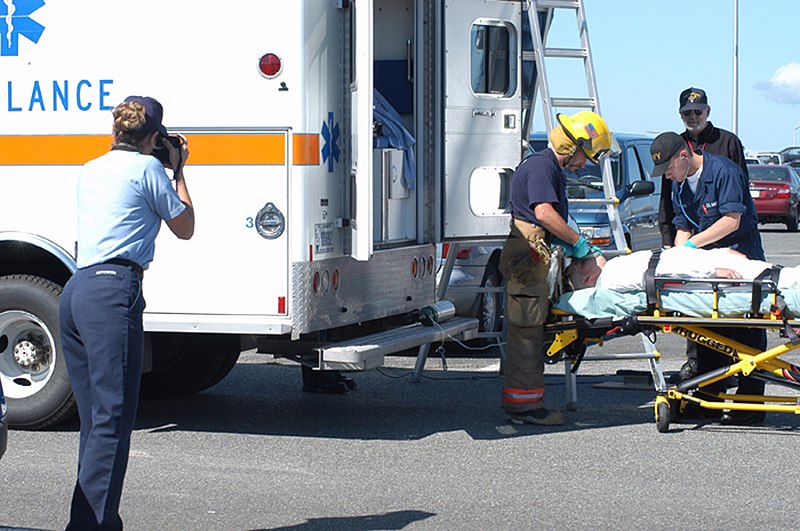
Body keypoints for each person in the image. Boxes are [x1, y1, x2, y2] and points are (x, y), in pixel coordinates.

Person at [59, 95, 195, 530]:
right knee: (113, 420)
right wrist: (178, 169)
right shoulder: (149, 170)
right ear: (154, 136)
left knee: (95, 419)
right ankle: (91, 527)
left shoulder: (91, 168)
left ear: (115, 130)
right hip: (113, 292)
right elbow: (185, 226)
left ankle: (93, 522)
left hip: (76, 290)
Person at [498, 111, 612, 425]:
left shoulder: (550, 168)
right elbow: (544, 214)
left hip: (536, 254)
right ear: (570, 146)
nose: (584, 164)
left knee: (533, 329)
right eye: (583, 156)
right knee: (527, 331)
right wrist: (578, 243)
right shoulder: (540, 167)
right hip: (529, 254)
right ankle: (525, 408)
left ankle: (526, 404)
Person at [650, 131, 766, 425]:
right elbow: (683, 226)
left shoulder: (724, 172)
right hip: (709, 266)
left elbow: (731, 220)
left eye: (669, 169)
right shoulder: (681, 186)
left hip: (739, 258)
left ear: (684, 156)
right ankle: (708, 399)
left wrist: (691, 248)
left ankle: (750, 404)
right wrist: (679, 259)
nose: (667, 177)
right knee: (707, 333)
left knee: (745, 335)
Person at [659, 87, 750, 384]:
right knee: (702, 323)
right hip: (702, 251)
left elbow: (733, 215)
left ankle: (747, 388)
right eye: (687, 113)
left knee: (741, 323)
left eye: (698, 111)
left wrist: (690, 247)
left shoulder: (726, 149)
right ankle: (706, 385)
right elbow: (681, 216)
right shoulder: (676, 166)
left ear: (707, 112)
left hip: (735, 244)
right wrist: (674, 254)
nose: (693, 116)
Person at [566, 246, 799, 292]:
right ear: (587, 279)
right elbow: (665, 272)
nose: (584, 257)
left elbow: (671, 259)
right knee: (785, 281)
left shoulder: (614, 268)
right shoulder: (613, 278)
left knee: (781, 276)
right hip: (709, 273)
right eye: (580, 262)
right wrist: (712, 268)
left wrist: (718, 254)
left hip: (707, 263)